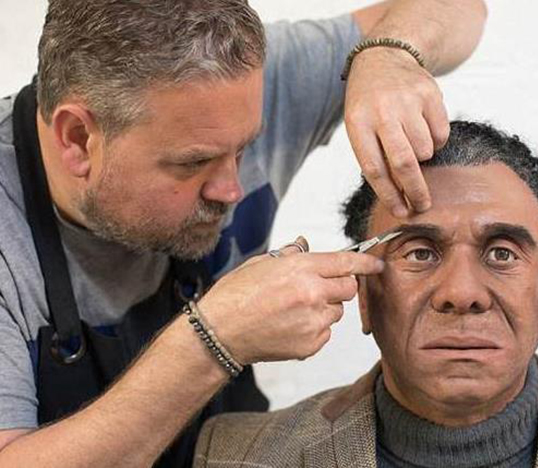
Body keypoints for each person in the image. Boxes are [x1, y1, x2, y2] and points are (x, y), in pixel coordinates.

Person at [0, 0, 487, 466]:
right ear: (77, 138)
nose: (232, 190)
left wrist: (388, 54)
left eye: (245, 148)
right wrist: (215, 341)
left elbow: (460, 7)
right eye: (193, 162)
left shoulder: (230, 84)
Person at [195, 121, 538, 468]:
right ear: (365, 296)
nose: (462, 293)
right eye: (420, 253)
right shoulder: (232, 454)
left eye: (502, 254)